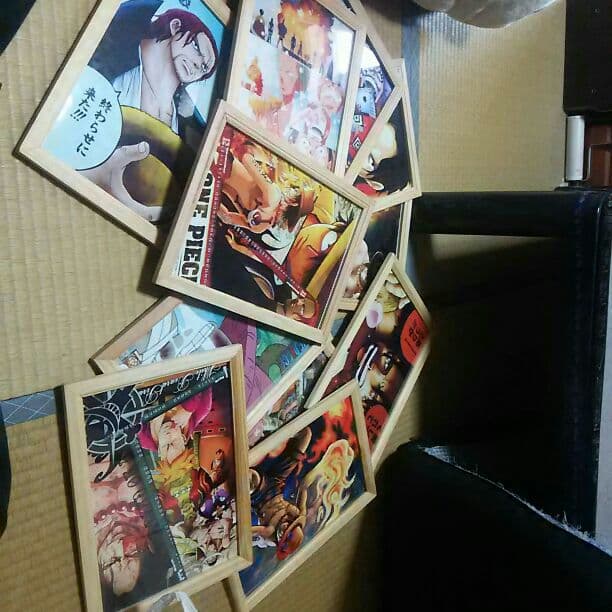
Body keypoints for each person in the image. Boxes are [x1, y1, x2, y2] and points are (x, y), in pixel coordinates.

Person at [85, 1, 220, 221]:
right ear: (176, 27)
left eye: (205, 67)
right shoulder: (121, 47)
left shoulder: (184, 119)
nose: (198, 64)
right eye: (197, 48)